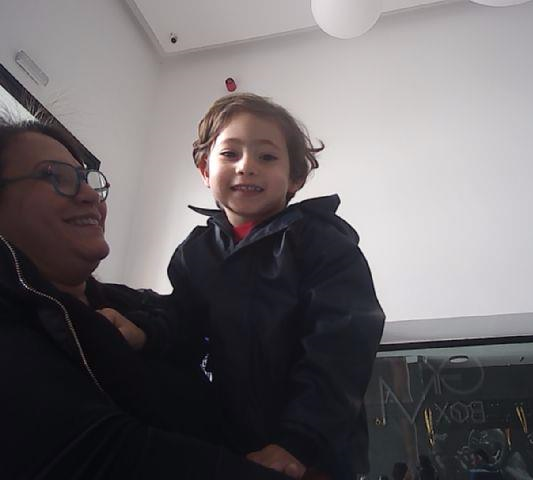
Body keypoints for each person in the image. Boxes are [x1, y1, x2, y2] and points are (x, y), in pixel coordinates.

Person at [0, 120, 291, 479]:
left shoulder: (133, 306)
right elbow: (114, 455)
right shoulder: (12, 324)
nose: (90, 196)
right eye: (53, 175)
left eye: (86, 179)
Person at [121, 93, 386, 479]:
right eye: (230, 154)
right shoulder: (195, 251)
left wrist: (299, 441)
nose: (246, 166)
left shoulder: (320, 241)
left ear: (295, 178)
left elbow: (342, 346)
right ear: (205, 170)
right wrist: (146, 330)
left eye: (267, 157)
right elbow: (184, 323)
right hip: (232, 447)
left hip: (313, 454)